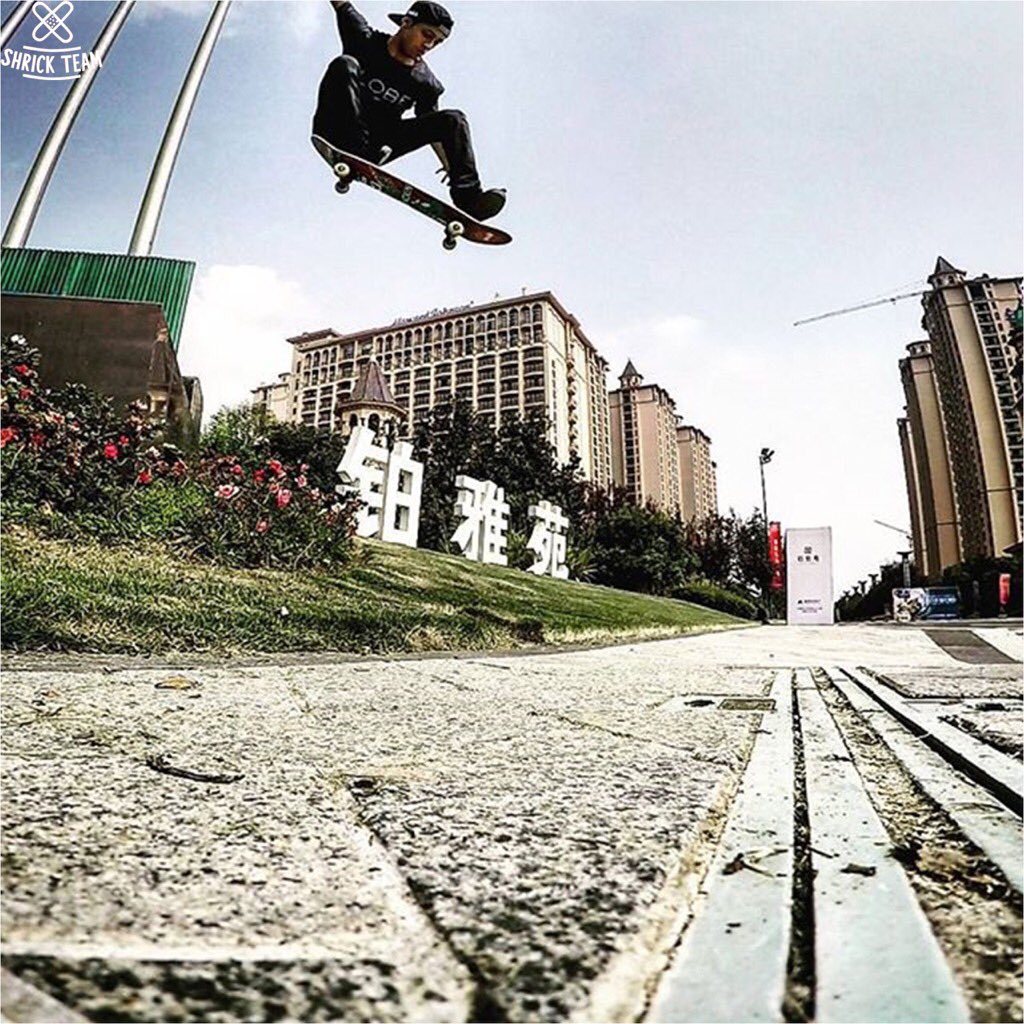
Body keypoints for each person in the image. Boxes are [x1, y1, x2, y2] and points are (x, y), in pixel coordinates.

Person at [313, 0, 507, 221]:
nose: (429, 45)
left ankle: (469, 200)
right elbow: (341, 4)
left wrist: (451, 164)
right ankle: (352, 148)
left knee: (454, 119)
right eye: (426, 34)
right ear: (406, 23)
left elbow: (436, 126)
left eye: (437, 42)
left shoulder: (426, 83)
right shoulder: (363, 39)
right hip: (335, 129)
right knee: (345, 64)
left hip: (377, 146)